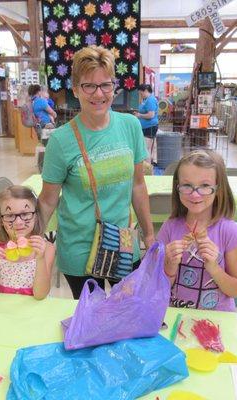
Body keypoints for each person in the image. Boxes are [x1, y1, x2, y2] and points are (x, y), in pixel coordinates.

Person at [38, 46, 155, 299]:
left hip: (123, 242)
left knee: (129, 309)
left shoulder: (130, 126)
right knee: (92, 320)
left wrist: (148, 233)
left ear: (114, 86)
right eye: (89, 86)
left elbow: (137, 185)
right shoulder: (61, 140)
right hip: (79, 248)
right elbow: (47, 201)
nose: (98, 94)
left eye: (106, 85)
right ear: (76, 88)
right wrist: (29, 240)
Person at [157, 150, 237, 311]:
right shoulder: (169, 228)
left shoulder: (230, 232)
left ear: (218, 189)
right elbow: (157, 288)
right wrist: (169, 267)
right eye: (187, 185)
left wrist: (214, 267)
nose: (195, 194)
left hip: (218, 320)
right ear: (177, 187)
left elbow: (236, 290)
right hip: (176, 316)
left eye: (205, 186)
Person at [0, 185, 55, 302]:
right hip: (8, 312)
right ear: (0, 220)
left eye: (25, 214)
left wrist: (40, 259)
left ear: (36, 216)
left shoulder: (46, 248)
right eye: (9, 215)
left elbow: (40, 295)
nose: (18, 222)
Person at [134, 84, 159, 164]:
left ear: (145, 91)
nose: (140, 95)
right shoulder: (146, 100)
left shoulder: (150, 100)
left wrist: (139, 115)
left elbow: (151, 115)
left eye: (141, 93)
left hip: (150, 127)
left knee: (146, 149)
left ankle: (147, 167)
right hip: (145, 127)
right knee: (145, 148)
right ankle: (147, 166)